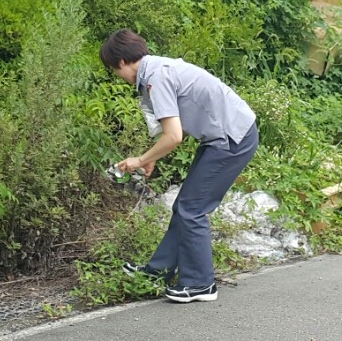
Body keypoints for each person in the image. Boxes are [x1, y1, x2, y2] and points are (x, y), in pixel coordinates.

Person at [99, 29, 258, 303]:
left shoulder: (156, 79)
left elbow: (174, 136)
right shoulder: (157, 69)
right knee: (184, 206)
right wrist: (152, 157)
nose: (118, 76)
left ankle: (201, 284)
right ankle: (159, 271)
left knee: (192, 209)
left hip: (232, 138)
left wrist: (140, 160)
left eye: (114, 70)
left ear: (122, 62)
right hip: (224, 136)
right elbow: (174, 128)